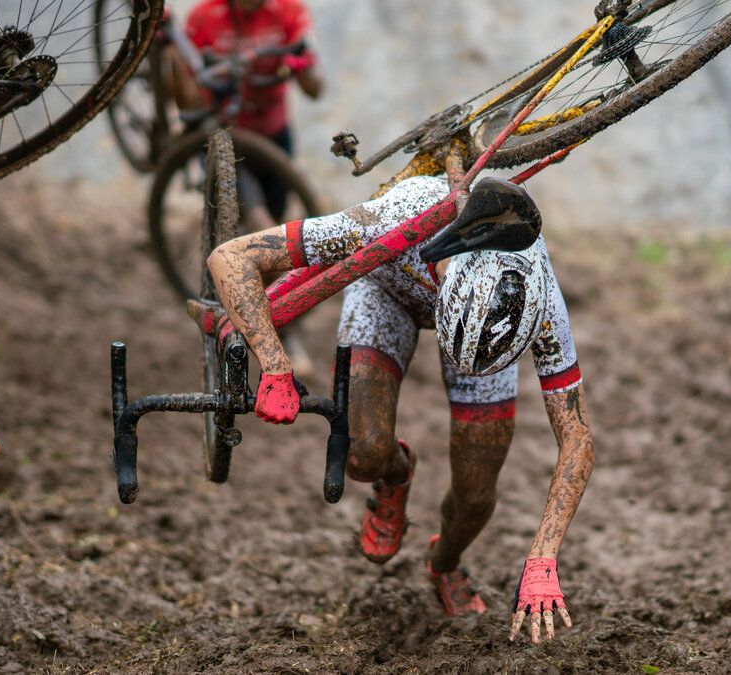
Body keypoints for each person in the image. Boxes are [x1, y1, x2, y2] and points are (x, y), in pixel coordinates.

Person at [201, 174, 594, 644]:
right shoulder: (391, 218)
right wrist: (275, 366)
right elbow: (229, 257)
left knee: (475, 494)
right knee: (363, 453)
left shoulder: (542, 298)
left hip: (482, 343)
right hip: (386, 291)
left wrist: (544, 557)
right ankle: (395, 473)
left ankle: (444, 562)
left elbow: (577, 436)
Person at [170, 0, 323, 230]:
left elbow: (315, 90)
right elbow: (188, 102)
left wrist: (303, 65)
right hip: (224, 134)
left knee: (275, 213)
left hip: (274, 133)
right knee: (254, 218)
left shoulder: (289, 10)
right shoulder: (204, 16)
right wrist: (173, 59)